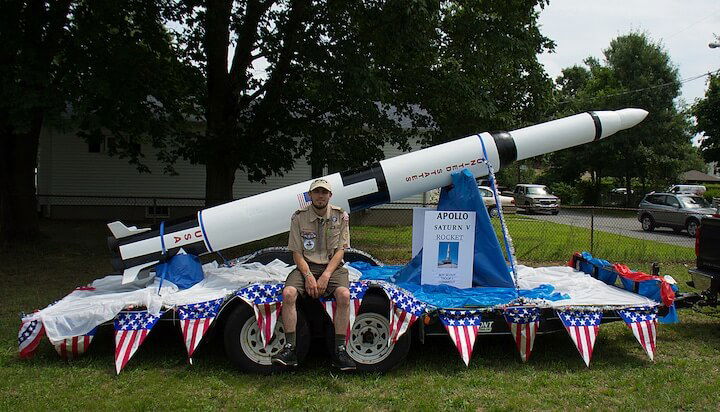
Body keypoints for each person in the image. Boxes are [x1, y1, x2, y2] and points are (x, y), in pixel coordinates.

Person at [271, 178, 357, 371]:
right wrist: (309, 275)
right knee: (288, 294)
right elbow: (296, 253)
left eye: (324, 192)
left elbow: (340, 251)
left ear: (330, 195)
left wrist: (326, 275)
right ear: (310, 195)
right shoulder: (298, 217)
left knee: (344, 295)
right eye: (316, 192)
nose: (320, 196)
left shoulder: (340, 216)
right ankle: (290, 348)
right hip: (306, 266)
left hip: (332, 267)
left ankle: (340, 351)